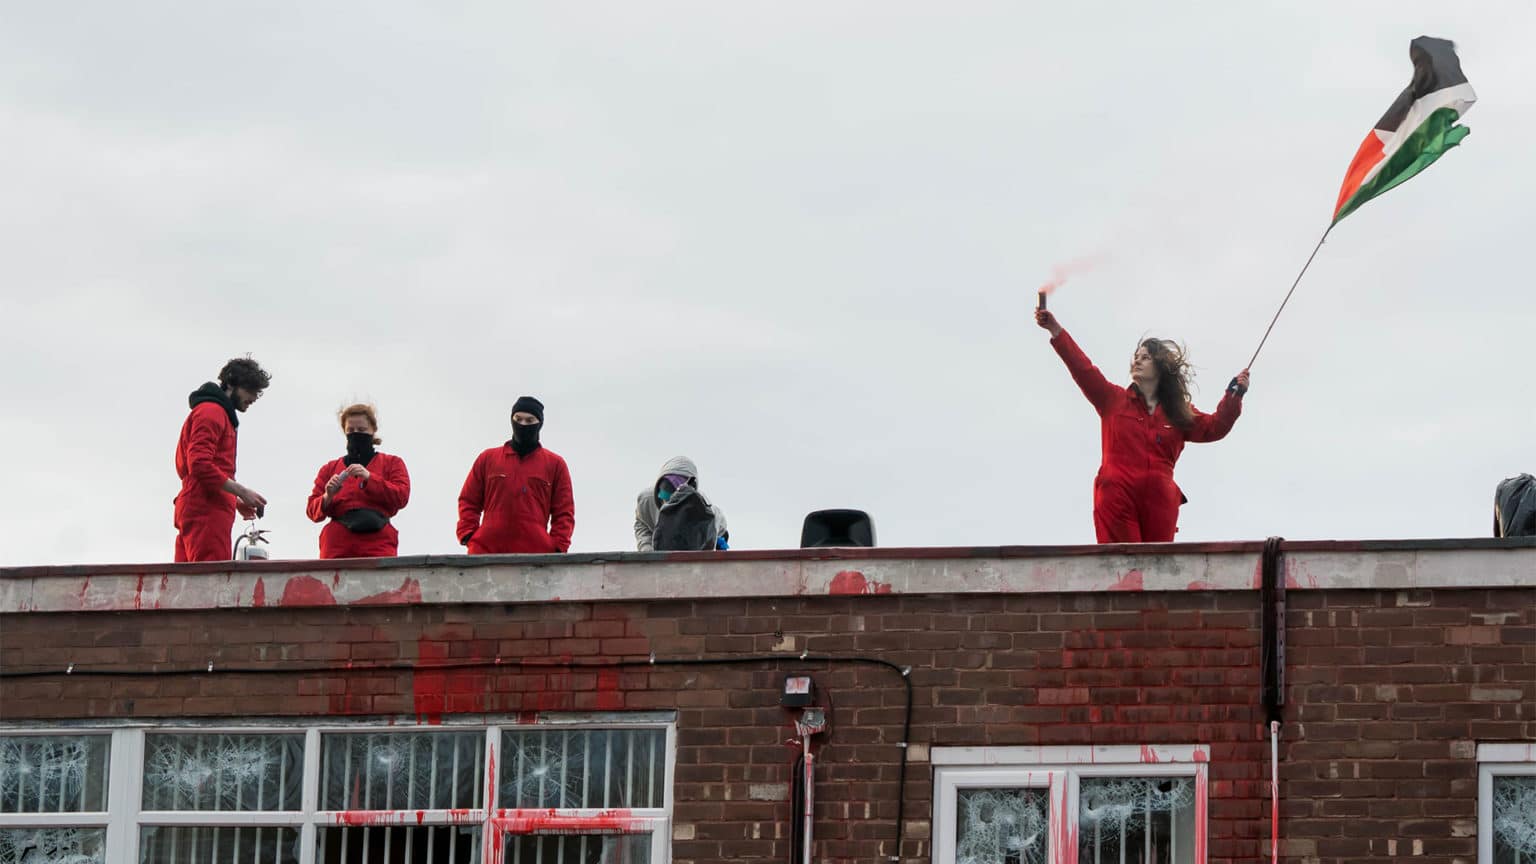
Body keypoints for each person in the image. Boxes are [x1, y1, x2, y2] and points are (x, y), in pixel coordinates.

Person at [1036, 308, 1250, 543]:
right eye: (1136, 357)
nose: (1137, 361)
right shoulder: (1112, 400)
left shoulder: (1179, 413)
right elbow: (1082, 369)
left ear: (1160, 367)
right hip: (1118, 494)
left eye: (1145, 357)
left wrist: (1234, 394)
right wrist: (1055, 330)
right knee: (1125, 568)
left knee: (1156, 570)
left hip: (1160, 501)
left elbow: (1214, 427)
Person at [173, 357, 270, 562]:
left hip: (202, 505)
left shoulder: (217, 413)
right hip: (205, 509)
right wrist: (242, 491)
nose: (254, 397)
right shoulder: (212, 412)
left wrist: (233, 500)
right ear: (232, 384)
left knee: (188, 582)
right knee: (210, 580)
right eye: (250, 389)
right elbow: (199, 464)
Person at [457, 396, 575, 554]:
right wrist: (469, 534)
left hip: (536, 557)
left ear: (539, 424)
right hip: (485, 553)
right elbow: (468, 500)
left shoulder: (555, 465)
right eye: (518, 419)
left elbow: (564, 511)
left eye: (529, 420)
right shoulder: (488, 458)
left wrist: (557, 547)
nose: (523, 425)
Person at [305, 403, 411, 558]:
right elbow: (312, 512)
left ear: (373, 430)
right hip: (337, 545)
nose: (356, 434)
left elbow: (401, 497)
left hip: (378, 542)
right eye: (351, 430)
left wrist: (369, 478)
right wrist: (328, 496)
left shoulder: (392, 463)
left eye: (361, 430)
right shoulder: (329, 468)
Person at [633, 456, 730, 551]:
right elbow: (642, 523)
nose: (669, 501)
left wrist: (718, 540)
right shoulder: (646, 500)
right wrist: (647, 548)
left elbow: (718, 524)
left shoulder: (704, 510)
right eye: (666, 491)